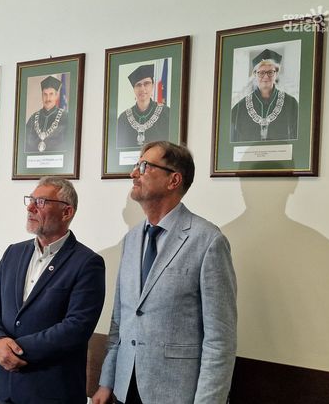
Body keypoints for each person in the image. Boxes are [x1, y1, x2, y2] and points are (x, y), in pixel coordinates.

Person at [93, 141, 237, 404]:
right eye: (136, 165)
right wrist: (107, 382)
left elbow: (220, 340)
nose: (133, 173)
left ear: (174, 180)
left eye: (144, 166)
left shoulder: (208, 241)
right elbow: (120, 321)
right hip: (125, 390)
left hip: (176, 394)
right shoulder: (131, 239)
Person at [0, 177, 105, 404]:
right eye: (30, 200)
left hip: (51, 393)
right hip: (5, 389)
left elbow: (76, 327)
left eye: (40, 202)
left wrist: (13, 350)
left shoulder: (87, 263)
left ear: (66, 212)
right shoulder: (13, 253)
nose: (30, 207)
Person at [231, 49, 299, 142]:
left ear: (276, 74)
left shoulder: (291, 104)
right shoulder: (239, 108)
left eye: (270, 72)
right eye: (261, 72)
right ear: (255, 74)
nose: (266, 77)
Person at [117, 64, 170, 148]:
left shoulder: (167, 113)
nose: (142, 88)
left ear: (153, 86)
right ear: (134, 89)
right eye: (138, 85)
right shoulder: (123, 118)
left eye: (146, 83)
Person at [25, 75, 69, 153]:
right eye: (45, 94)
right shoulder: (33, 118)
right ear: (42, 96)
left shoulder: (66, 117)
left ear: (56, 96)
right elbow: (25, 145)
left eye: (51, 94)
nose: (48, 99)